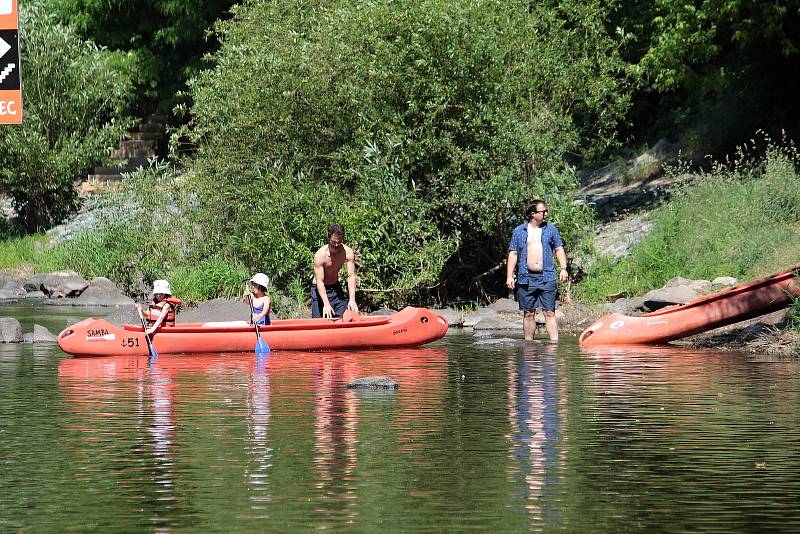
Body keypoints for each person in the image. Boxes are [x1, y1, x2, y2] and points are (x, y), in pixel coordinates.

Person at [506, 200, 569, 341]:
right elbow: (513, 254)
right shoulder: (519, 231)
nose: (546, 213)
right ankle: (528, 348)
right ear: (533, 214)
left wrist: (564, 268)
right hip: (525, 277)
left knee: (550, 313)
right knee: (528, 313)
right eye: (543, 211)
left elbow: (559, 249)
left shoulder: (551, 229)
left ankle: (554, 346)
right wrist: (509, 276)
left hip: (547, 277)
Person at [311, 223, 358, 318]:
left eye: (339, 242)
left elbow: (351, 276)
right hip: (320, 289)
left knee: (345, 318)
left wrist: (352, 300)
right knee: (319, 324)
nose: (336, 245)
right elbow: (320, 281)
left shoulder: (347, 252)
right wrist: (326, 304)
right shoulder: (320, 255)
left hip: (335, 288)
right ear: (329, 238)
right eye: (333, 242)